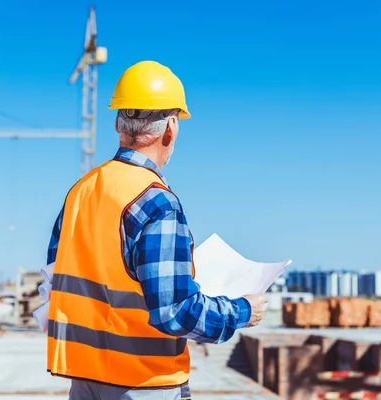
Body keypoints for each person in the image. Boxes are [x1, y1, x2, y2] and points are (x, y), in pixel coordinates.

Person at [45, 60, 268, 400]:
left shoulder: (81, 192)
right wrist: (242, 311)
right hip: (143, 383)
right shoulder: (156, 203)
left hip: (84, 381)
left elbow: (55, 283)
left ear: (120, 125)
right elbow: (175, 313)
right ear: (171, 128)